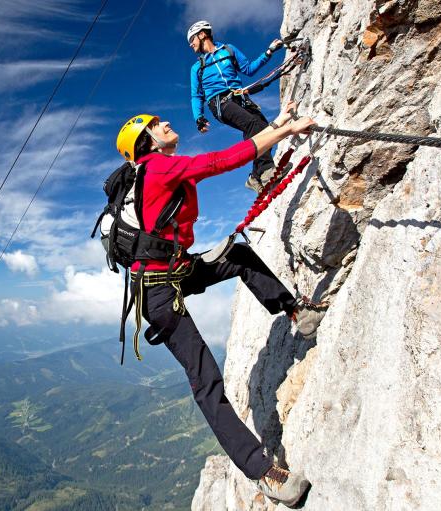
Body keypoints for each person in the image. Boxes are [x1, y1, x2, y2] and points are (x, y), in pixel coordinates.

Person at [114, 101, 327, 505]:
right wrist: (283, 132)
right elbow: (221, 161)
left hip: (174, 271)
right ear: (148, 142)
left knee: (239, 256)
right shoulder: (158, 167)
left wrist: (278, 123)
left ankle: (297, 313)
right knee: (206, 380)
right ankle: (263, 473)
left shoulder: (156, 170)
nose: (167, 123)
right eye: (158, 124)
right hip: (159, 291)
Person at [187, 20, 285, 193]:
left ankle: (255, 176)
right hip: (219, 102)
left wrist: (268, 52)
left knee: (264, 127)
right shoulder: (197, 68)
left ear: (202, 35)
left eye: (192, 39)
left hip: (240, 97)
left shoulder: (228, 50)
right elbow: (196, 95)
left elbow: (248, 69)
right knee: (252, 124)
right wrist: (199, 118)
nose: (191, 44)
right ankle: (266, 171)